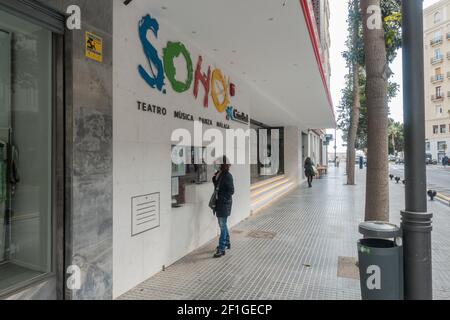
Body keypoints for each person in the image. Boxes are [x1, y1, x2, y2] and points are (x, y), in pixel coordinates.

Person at [212, 156, 235, 258]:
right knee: (223, 224)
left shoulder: (227, 176)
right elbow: (217, 186)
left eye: (217, 163)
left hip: (224, 204)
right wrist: (215, 177)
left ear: (222, 164)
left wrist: (222, 198)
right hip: (219, 203)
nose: (215, 164)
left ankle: (221, 248)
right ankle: (227, 243)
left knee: (222, 225)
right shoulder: (220, 174)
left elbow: (231, 191)